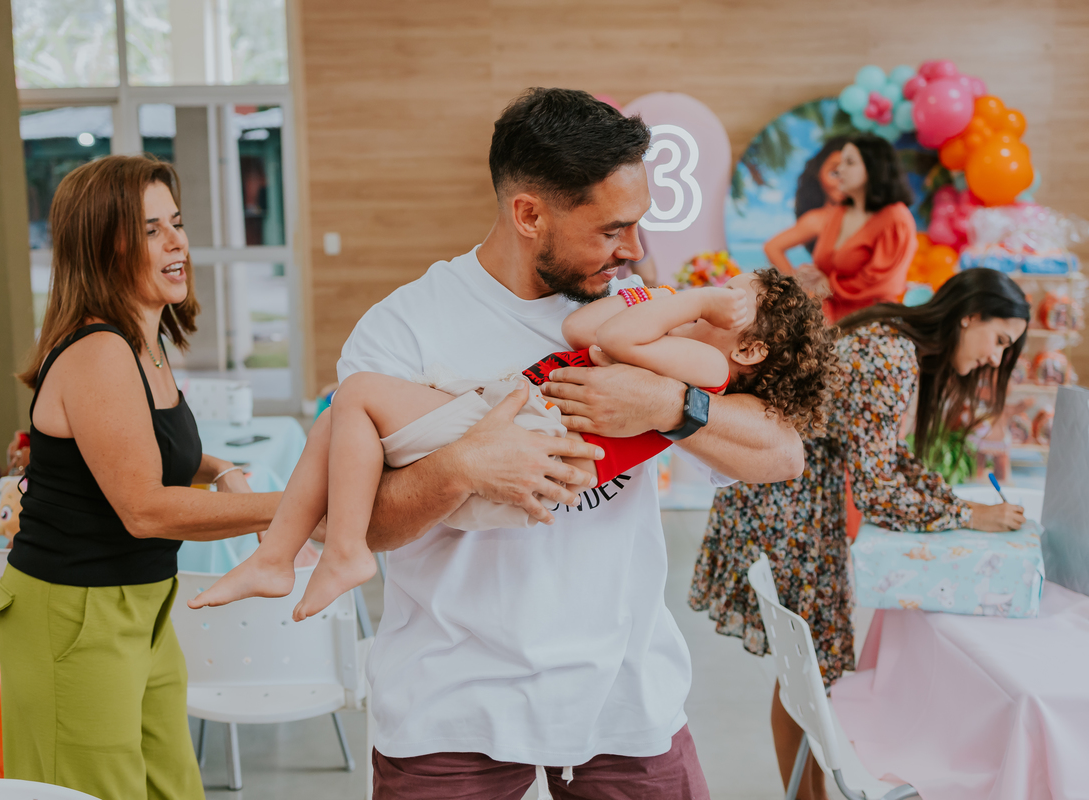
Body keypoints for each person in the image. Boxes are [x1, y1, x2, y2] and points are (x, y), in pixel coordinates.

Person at [302, 87, 804, 800]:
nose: (635, 250)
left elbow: (783, 454)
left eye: (639, 224)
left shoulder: (637, 310)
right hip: (451, 704)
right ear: (529, 214)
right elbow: (347, 523)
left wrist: (667, 405)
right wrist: (463, 467)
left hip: (625, 696)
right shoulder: (402, 330)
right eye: (612, 229)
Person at [189, 269, 835, 621]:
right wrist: (659, 297)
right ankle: (280, 555)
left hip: (533, 439)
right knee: (340, 417)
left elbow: (619, 342)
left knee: (356, 397)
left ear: (750, 349)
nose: (719, 293)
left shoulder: (707, 366)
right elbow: (583, 327)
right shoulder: (672, 332)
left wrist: (687, 301)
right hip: (513, 417)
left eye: (735, 298)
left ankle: (338, 553)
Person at [0, 155, 284, 800]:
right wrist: (291, 505)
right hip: (74, 610)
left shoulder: (144, 343)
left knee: (172, 788)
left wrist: (223, 470)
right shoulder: (99, 352)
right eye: (151, 230)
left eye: (175, 222)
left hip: (142, 600)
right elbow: (145, 508)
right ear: (103, 247)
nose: (177, 242)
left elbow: (151, 451)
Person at [689, 267, 1030, 800]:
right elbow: (877, 490)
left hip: (789, 492)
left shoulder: (893, 339)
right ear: (970, 316)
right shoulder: (893, 355)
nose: (995, 358)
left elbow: (886, 458)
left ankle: (812, 794)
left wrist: (958, 506)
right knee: (807, 671)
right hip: (787, 500)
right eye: (1000, 340)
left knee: (806, 670)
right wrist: (967, 515)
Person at [765, 134, 917, 322]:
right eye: (839, 164)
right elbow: (823, 270)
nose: (840, 170)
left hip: (868, 324)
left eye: (849, 163)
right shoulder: (838, 212)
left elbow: (883, 283)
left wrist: (829, 285)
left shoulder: (895, 218)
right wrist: (810, 277)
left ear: (874, 168)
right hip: (825, 322)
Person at [763, 135, 850, 267]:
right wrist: (794, 280)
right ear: (818, 173)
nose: (841, 181)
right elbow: (772, 247)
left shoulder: (865, 214)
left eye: (849, 174)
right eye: (834, 173)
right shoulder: (818, 219)